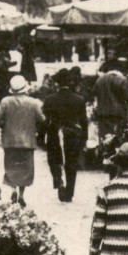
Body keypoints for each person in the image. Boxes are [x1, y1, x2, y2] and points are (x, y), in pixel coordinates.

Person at [0, 75, 46, 207]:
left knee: (11, 167)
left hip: (10, 140)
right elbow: (42, 119)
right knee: (25, 169)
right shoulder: (33, 102)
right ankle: (22, 195)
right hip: (27, 141)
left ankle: (13, 190)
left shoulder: (5, 101)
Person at [42, 69, 89, 203]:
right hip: (72, 133)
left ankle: (58, 180)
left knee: (54, 160)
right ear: (70, 81)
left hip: (54, 133)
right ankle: (69, 192)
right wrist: (84, 137)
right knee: (71, 162)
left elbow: (45, 120)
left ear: (57, 83)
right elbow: (84, 121)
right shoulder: (79, 99)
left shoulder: (50, 99)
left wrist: (42, 136)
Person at [92, 68, 128, 143]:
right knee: (116, 139)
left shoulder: (100, 79)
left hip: (102, 114)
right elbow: (127, 97)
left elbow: (93, 92)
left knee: (104, 139)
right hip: (117, 115)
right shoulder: (122, 80)